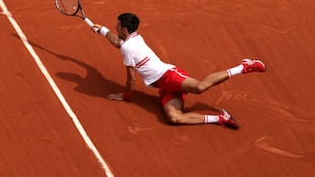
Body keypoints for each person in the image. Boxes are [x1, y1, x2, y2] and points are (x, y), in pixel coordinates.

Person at [92, 13, 266, 129]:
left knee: (199, 87)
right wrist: (102, 30)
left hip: (170, 76)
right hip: (165, 87)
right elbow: (118, 42)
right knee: (174, 118)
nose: (115, 28)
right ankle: (221, 118)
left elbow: (131, 78)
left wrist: (126, 95)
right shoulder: (134, 38)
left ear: (124, 30)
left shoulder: (128, 48)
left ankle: (244, 67)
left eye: (116, 26)